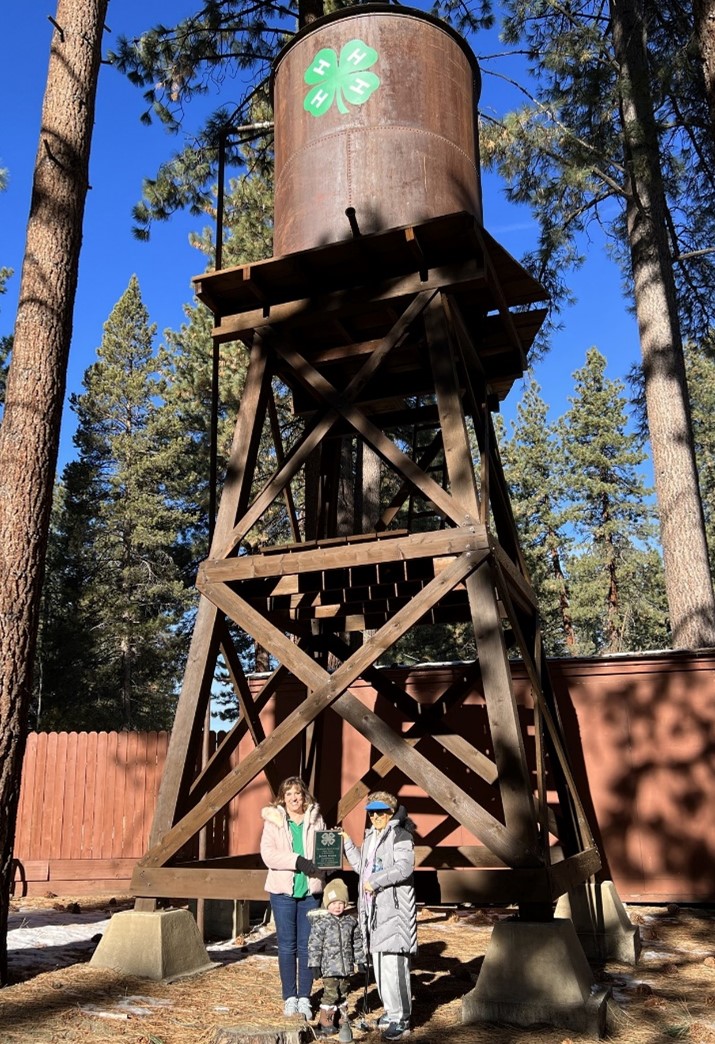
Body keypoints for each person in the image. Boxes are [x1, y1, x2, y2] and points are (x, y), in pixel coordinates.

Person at [342, 791, 416, 1041]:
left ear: (391, 812)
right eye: (371, 812)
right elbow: (363, 869)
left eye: (380, 812)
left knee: (394, 968)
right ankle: (390, 1011)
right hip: (374, 913)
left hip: (394, 913)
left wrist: (376, 881)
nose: (375, 816)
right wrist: (348, 846)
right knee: (381, 967)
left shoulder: (400, 835)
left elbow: (405, 868)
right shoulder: (371, 837)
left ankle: (401, 1018)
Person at [260, 776, 326, 1019]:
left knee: (307, 946)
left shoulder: (316, 819)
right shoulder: (274, 821)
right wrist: (296, 861)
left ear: (304, 795)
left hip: (309, 892)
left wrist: (333, 851)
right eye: (288, 794)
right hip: (283, 892)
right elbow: (268, 854)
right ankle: (289, 997)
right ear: (282, 798)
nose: (293, 798)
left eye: (297, 793)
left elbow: (323, 851)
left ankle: (305, 998)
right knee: (287, 946)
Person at [307, 876, 366, 1037]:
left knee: (344, 991)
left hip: (345, 967)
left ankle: (342, 1019)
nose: (337, 907)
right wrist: (314, 964)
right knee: (331, 994)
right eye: (333, 903)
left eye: (340, 903)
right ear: (327, 905)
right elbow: (314, 945)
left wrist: (361, 961)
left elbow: (357, 943)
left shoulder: (350, 922)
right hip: (329, 968)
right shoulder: (322, 923)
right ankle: (325, 1021)